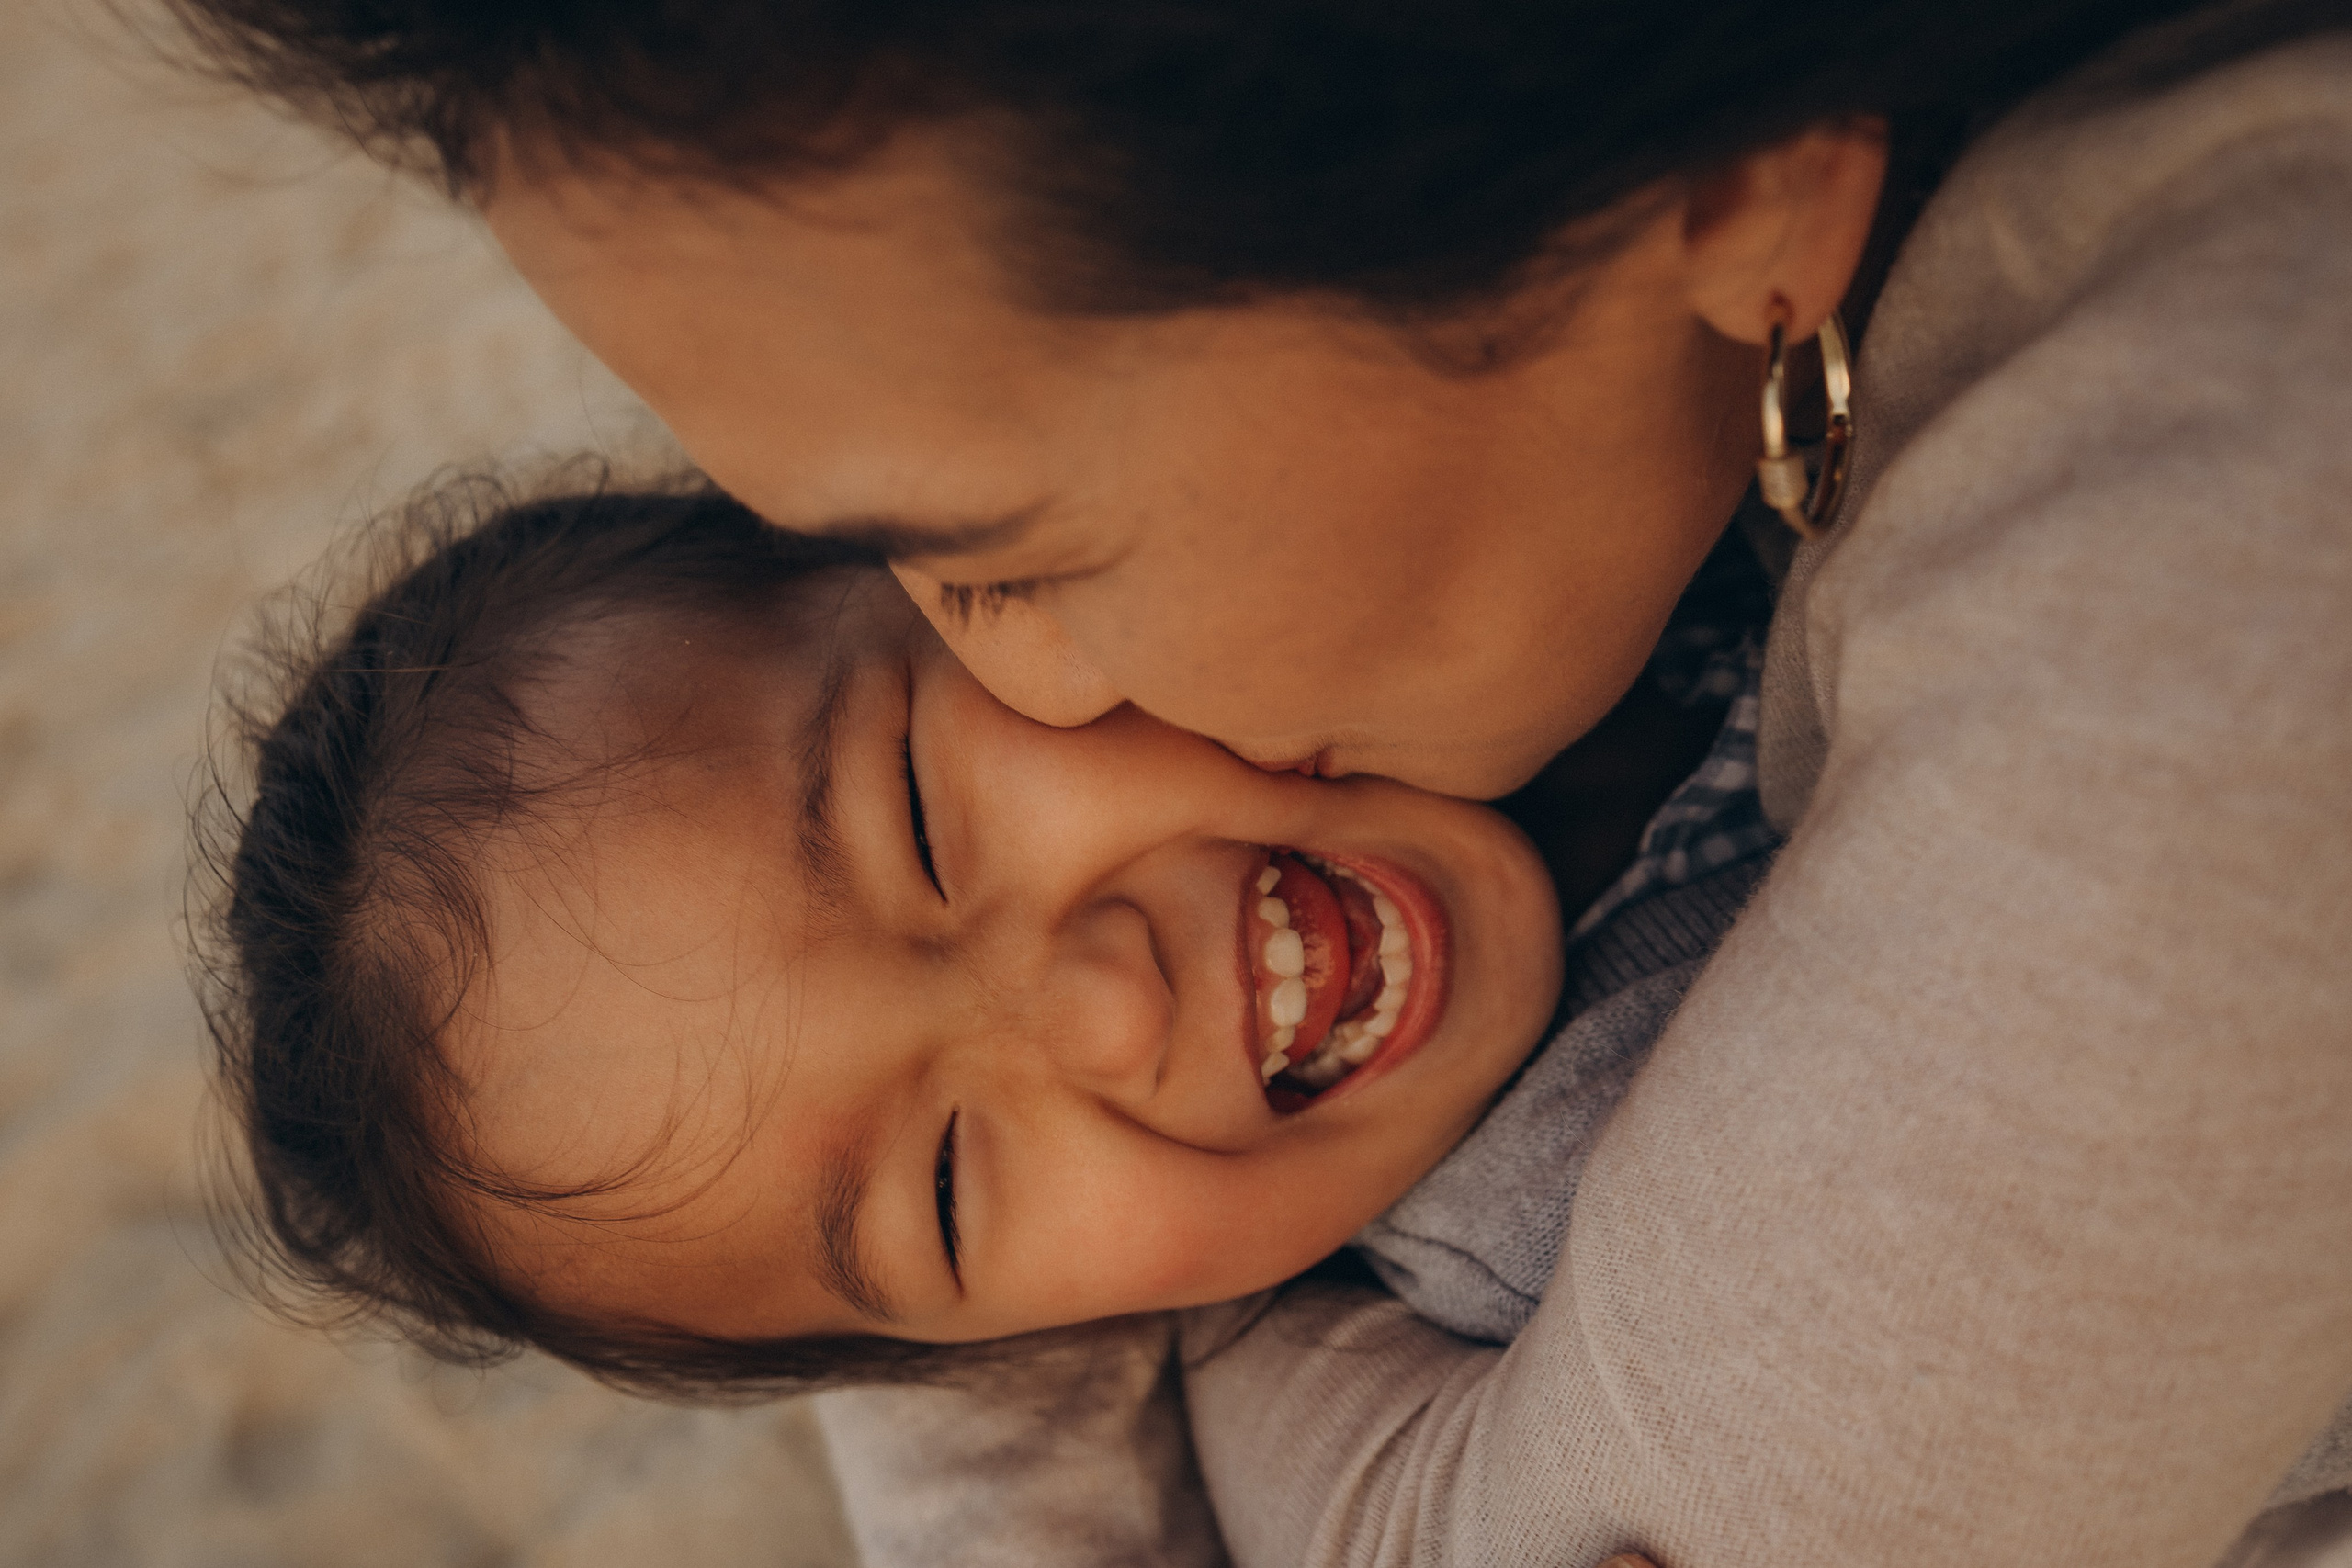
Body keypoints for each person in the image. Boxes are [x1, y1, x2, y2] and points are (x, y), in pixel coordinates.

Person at [174, 1, 2352, 1563]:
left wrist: (1185, 1366)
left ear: (1687, 181)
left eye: (992, 557)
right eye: (943, 1192)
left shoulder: (2208, 564)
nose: (1112, 1008)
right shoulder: (1670, 473)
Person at [206, 472, 1770, 1404]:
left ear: (957, 572)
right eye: (947, 1195)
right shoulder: (1609, 1265)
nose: (1106, 1006)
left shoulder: (1552, 442)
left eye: (918, 815)